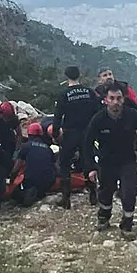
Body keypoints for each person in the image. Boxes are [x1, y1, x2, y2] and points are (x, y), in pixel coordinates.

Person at [83, 82, 137, 239]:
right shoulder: (98, 119)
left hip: (127, 161)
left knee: (129, 193)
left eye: (119, 98)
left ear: (123, 99)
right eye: (112, 98)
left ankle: (127, 225)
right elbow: (87, 144)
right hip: (106, 163)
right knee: (106, 193)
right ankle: (103, 218)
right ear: (106, 100)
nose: (116, 102)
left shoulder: (132, 115)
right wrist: (90, 168)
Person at [52, 65, 101, 209]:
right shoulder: (89, 92)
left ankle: (66, 199)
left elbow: (58, 117)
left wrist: (55, 134)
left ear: (66, 77)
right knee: (88, 162)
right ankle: (93, 194)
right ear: (79, 75)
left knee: (65, 164)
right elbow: (97, 113)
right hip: (87, 132)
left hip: (70, 133)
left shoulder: (64, 95)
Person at [12, 122, 57, 207]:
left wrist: (11, 181)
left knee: (15, 195)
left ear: (29, 135)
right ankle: (39, 194)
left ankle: (28, 194)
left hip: (31, 180)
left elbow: (16, 169)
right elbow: (55, 167)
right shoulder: (48, 148)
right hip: (49, 181)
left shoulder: (25, 146)